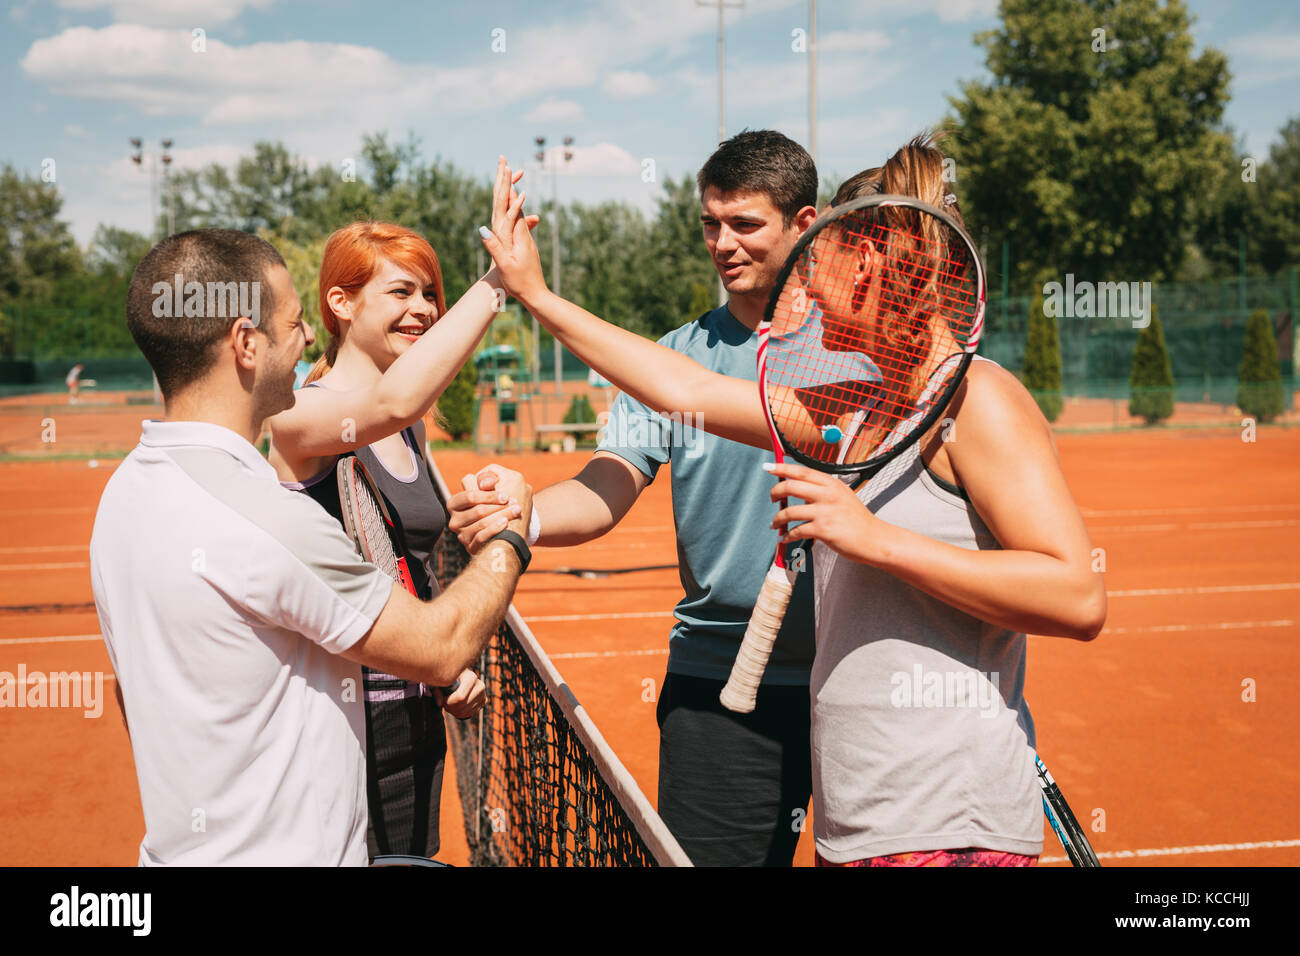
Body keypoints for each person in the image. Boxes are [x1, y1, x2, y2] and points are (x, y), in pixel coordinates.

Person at [476, 134, 1107, 866]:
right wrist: (536, 297)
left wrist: (870, 536)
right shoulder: (864, 407)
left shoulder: (979, 400)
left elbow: (1077, 596)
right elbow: (685, 389)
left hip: (945, 823)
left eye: (820, 252)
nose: (802, 273)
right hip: (865, 823)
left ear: (867, 262)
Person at [89, 226, 533, 866]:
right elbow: (440, 647)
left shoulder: (123, 496)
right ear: (245, 343)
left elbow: (133, 692)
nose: (306, 338)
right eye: (295, 323)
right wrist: (513, 536)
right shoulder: (269, 519)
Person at [450, 130, 820, 866]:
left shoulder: (865, 347)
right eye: (710, 224)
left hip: (853, 679)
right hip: (719, 687)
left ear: (802, 225)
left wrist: (540, 297)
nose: (723, 243)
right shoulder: (672, 357)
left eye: (745, 224)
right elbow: (604, 489)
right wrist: (526, 514)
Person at [266, 160, 538, 861]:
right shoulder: (300, 416)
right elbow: (392, 402)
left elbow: (417, 557)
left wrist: (448, 661)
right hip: (337, 719)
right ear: (342, 302)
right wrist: (499, 281)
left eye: (430, 293)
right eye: (400, 291)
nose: (422, 307)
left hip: (413, 710)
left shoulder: (413, 429)